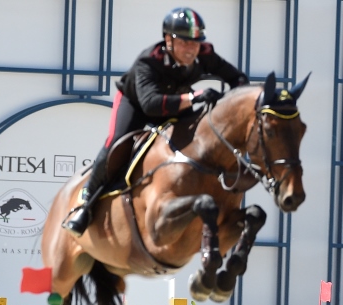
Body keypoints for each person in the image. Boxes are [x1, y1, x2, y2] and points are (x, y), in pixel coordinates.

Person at [62, 7, 249, 237]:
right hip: (138, 104)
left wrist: (232, 101)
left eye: (196, 43)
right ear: (168, 40)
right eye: (185, 43)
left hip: (176, 100)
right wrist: (195, 97)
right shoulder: (149, 61)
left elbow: (238, 78)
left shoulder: (204, 54)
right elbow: (151, 104)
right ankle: (86, 203)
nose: (192, 49)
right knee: (116, 145)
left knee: (204, 133)